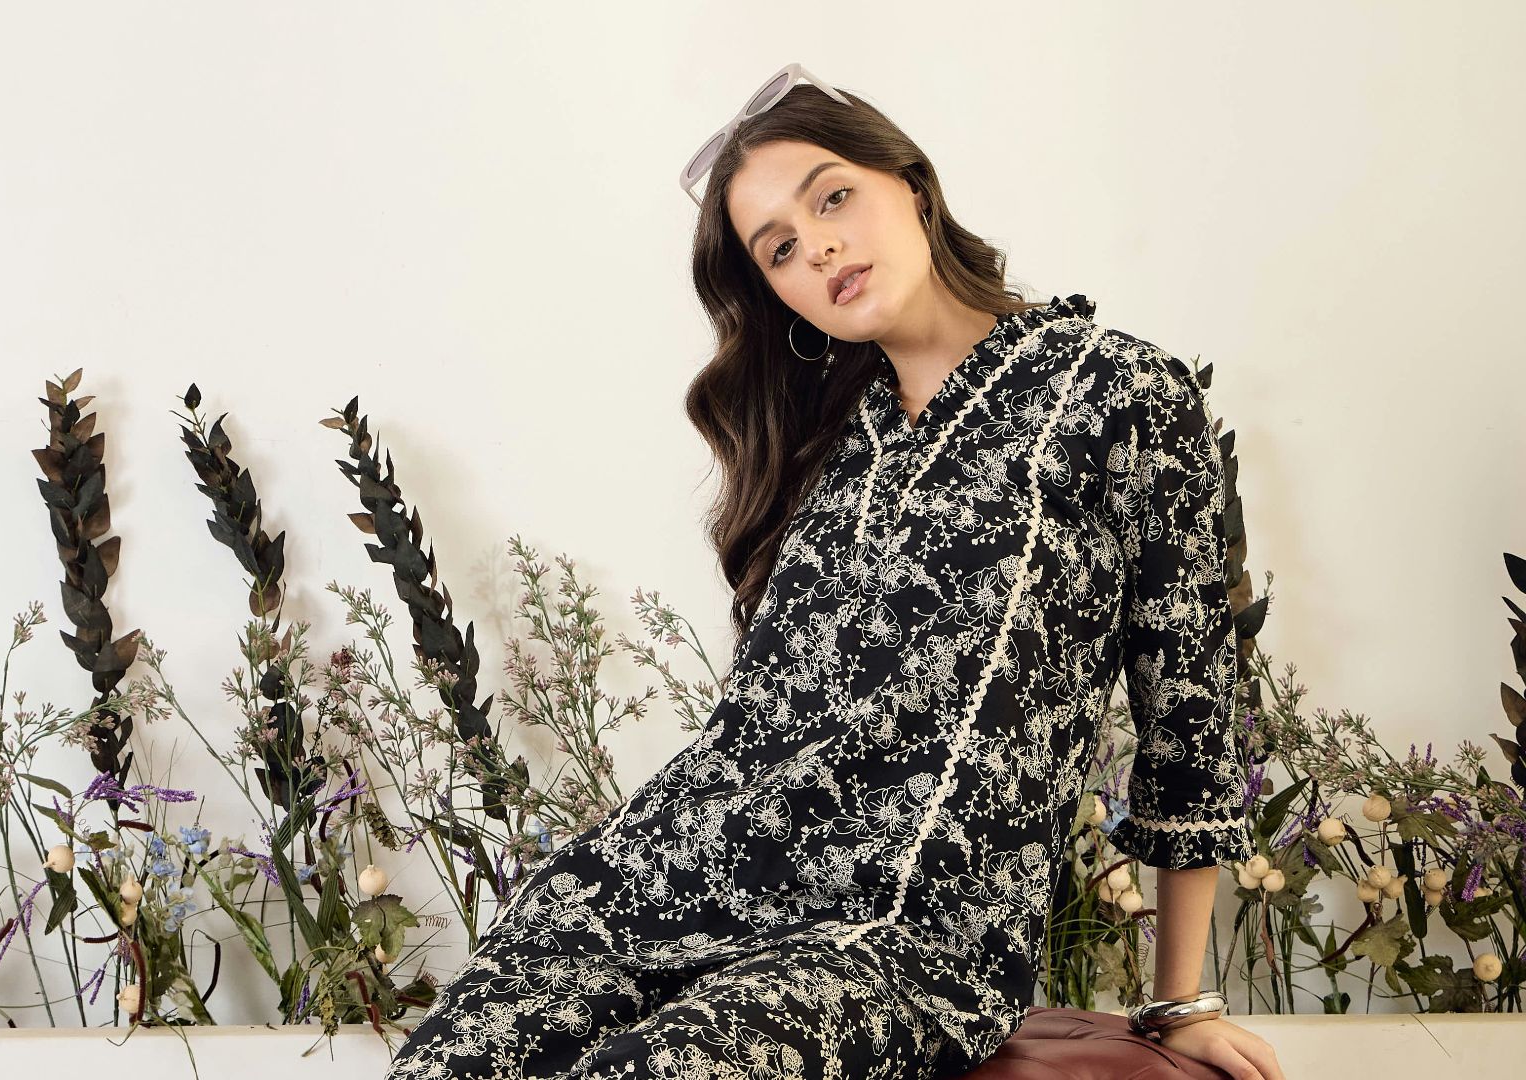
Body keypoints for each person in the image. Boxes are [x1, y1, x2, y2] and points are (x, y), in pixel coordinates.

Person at [385, 65, 1287, 1080]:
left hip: (907, 936)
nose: (815, 244)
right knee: (447, 1063)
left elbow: (1191, 704)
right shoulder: (828, 449)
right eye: (778, 250)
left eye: (833, 196)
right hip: (674, 880)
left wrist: (1182, 999)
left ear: (912, 184)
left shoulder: (1115, 388)